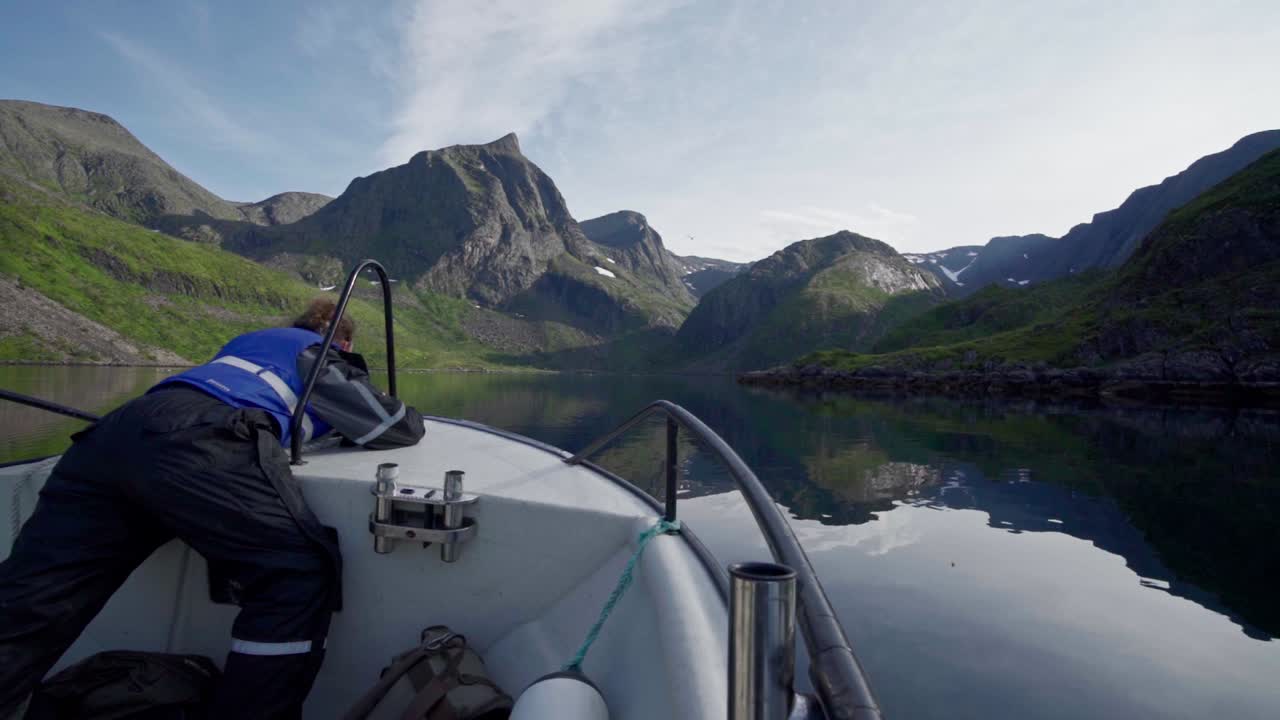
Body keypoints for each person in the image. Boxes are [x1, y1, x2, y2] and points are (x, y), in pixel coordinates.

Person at [0, 299, 425, 719]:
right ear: (341, 342)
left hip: (115, 433)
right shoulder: (317, 351)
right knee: (296, 573)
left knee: (32, 602)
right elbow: (391, 425)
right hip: (201, 439)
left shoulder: (247, 343)